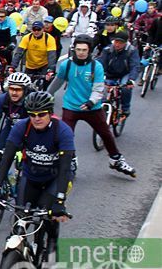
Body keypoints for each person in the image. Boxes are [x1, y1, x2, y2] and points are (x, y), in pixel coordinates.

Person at [0, 91, 74, 240]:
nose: (36, 118)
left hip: (54, 179)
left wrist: (60, 201)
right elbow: (6, 159)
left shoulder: (63, 131)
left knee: (48, 216)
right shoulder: (21, 127)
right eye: (32, 115)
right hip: (31, 177)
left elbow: (65, 168)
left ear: (50, 113)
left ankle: (50, 247)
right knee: (20, 221)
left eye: (41, 114)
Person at [47, 35, 136, 177]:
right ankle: (71, 159)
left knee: (105, 133)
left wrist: (91, 102)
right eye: (78, 49)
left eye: (84, 50)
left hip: (91, 108)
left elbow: (98, 88)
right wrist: (47, 95)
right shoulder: (67, 65)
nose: (81, 53)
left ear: (89, 51)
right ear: (74, 49)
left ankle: (115, 159)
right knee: (66, 136)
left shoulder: (96, 66)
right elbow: (58, 81)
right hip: (71, 106)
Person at [0, 72, 32, 166]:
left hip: (30, 128)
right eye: (11, 89)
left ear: (25, 90)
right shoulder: (2, 99)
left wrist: (22, 148)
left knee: (25, 160)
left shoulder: (30, 101)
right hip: (11, 125)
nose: (14, 93)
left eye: (18, 90)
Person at [98, 31, 140, 116]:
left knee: (125, 88)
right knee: (101, 90)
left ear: (125, 43)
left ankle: (125, 108)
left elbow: (135, 66)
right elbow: (100, 63)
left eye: (120, 43)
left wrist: (131, 79)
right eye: (116, 42)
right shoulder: (107, 50)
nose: (117, 45)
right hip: (110, 73)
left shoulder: (132, 51)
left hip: (125, 74)